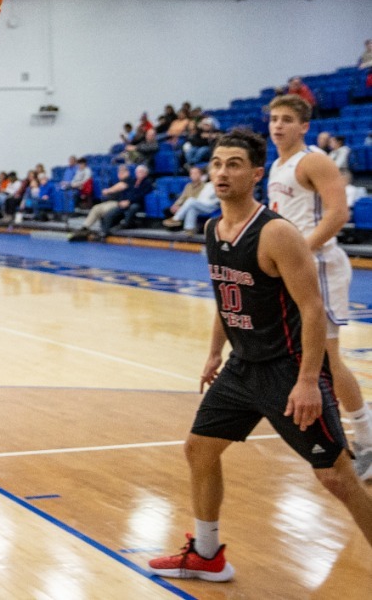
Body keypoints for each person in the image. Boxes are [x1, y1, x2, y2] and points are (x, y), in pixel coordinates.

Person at [148, 129, 372, 582]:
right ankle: (207, 555)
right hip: (241, 368)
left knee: (336, 479)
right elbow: (225, 295)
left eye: (233, 164)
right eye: (216, 164)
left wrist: (309, 380)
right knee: (199, 450)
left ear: (255, 174)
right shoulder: (213, 228)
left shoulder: (277, 234)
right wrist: (215, 352)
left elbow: (313, 312)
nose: (222, 172)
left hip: (287, 373)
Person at [266, 95, 372, 480]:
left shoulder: (313, 161)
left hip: (321, 266)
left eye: (287, 120)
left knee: (326, 358)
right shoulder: (277, 165)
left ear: (304, 126)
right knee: (307, 355)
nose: (278, 126)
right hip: (297, 267)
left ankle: (367, 438)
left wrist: (299, 251)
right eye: (274, 119)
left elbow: (339, 213)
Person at [68, 165, 130, 242]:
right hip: (111, 202)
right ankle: (85, 228)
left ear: (127, 172)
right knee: (96, 208)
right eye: (119, 172)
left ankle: (103, 231)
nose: (120, 174)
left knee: (105, 209)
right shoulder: (117, 182)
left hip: (119, 203)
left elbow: (121, 186)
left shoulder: (129, 180)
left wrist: (108, 190)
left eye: (122, 172)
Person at [162, 166, 219, 233]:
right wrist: (177, 205)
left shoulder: (214, 185)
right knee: (192, 208)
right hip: (201, 205)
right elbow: (184, 198)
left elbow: (215, 199)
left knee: (191, 201)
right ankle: (189, 229)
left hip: (212, 206)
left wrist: (182, 207)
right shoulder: (207, 185)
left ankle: (176, 219)